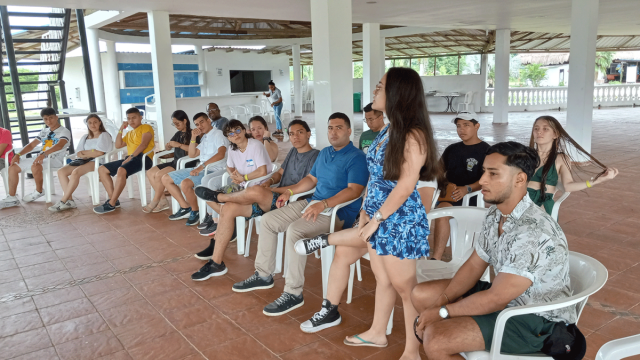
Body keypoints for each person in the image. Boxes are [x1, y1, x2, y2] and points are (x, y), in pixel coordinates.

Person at [412, 141, 576, 359]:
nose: (482, 181)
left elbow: (496, 298)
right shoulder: (494, 214)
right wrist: (442, 300)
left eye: (493, 174)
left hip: (536, 318)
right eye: (483, 172)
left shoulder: (533, 231)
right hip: (507, 299)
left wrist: (443, 312)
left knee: (436, 338)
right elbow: (474, 265)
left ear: (520, 179)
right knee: (422, 295)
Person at [228, 112, 369, 317]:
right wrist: (290, 191)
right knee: (268, 220)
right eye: (330, 128)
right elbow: (311, 179)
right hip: (312, 203)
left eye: (339, 127)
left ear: (349, 131)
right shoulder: (325, 153)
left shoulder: (357, 158)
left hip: (337, 212)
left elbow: (354, 190)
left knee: (295, 231)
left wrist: (324, 204)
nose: (333, 132)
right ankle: (263, 274)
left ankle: (293, 293)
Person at [293, 180, 438, 335]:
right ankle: (330, 311)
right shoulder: (393, 165)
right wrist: (364, 213)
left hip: (400, 234)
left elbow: (422, 210)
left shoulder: (424, 173)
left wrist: (381, 218)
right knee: (343, 251)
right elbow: (372, 189)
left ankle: (326, 239)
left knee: (372, 239)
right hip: (373, 225)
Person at [190, 120, 319, 278]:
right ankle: (216, 263)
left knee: (253, 190)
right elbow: (278, 173)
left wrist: (271, 188)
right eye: (291, 133)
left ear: (308, 134)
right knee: (229, 208)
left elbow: (303, 185)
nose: (295, 137)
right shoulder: (293, 152)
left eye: (299, 132)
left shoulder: (316, 156)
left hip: (292, 201)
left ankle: (220, 196)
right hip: (272, 198)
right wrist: (269, 181)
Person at [192, 119, 271, 236]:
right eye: (231, 133)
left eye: (238, 130)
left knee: (221, 200)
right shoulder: (232, 149)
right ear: (228, 138)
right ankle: (232, 220)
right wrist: (233, 174)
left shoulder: (255, 145)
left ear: (244, 131)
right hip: (241, 185)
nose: (236, 135)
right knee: (208, 196)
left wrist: (243, 177)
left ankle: (230, 220)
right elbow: (229, 166)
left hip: (257, 186)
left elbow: (262, 171)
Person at [528, 115, 618, 215]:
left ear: (555, 134)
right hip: (518, 200)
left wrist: (595, 181)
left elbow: (568, 186)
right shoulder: (525, 155)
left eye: (545, 129)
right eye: (536, 128)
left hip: (540, 205)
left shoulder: (560, 158)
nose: (539, 132)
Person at [431, 111, 490, 261]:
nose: (461, 129)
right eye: (458, 126)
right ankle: (436, 259)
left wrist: (467, 189)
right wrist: (443, 183)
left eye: (466, 125)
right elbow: (438, 171)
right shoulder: (452, 149)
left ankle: (467, 259)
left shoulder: (487, 151)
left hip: (473, 197)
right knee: (441, 212)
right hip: (451, 195)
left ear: (477, 126)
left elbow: (488, 177)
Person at [162, 112, 228, 225]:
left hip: (214, 170)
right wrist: (193, 137)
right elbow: (193, 154)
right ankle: (186, 207)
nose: (200, 126)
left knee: (185, 183)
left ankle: (195, 210)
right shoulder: (205, 137)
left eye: (202, 122)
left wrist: (201, 167)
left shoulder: (218, 134)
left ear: (208, 120)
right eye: (197, 124)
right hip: (202, 168)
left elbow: (221, 154)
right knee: (166, 178)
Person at [1, 107, 70, 208]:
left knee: (36, 165)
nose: (48, 121)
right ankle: (12, 198)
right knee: (13, 167)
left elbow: (59, 145)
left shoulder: (64, 131)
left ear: (56, 117)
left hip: (55, 160)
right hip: (41, 158)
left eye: (51, 118)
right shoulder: (44, 131)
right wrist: (18, 155)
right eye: (45, 119)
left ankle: (39, 191)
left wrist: (43, 154)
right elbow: (31, 145)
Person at [93, 108, 154, 214]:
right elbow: (118, 145)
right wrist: (121, 129)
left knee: (121, 169)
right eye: (129, 119)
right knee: (102, 169)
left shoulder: (146, 127)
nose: (131, 121)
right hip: (131, 158)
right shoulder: (130, 133)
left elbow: (143, 144)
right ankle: (114, 200)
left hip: (143, 158)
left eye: (134, 118)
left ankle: (111, 204)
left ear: (140, 117)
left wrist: (131, 157)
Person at [49, 114, 113, 211]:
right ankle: (70, 201)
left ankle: (63, 201)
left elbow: (99, 152)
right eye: (90, 123)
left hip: (97, 162)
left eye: (95, 122)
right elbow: (78, 153)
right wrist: (91, 152)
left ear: (100, 122)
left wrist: (87, 153)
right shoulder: (85, 137)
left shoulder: (104, 135)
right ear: (87, 124)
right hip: (83, 161)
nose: (93, 125)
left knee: (76, 172)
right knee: (61, 171)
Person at [143, 110, 200, 213]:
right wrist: (168, 146)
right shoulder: (178, 134)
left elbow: (194, 150)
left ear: (185, 121)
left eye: (177, 123)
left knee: (159, 175)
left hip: (184, 163)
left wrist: (178, 145)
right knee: (150, 172)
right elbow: (168, 147)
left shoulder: (193, 134)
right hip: (175, 161)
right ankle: (163, 200)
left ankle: (156, 200)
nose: (176, 126)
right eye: (174, 124)